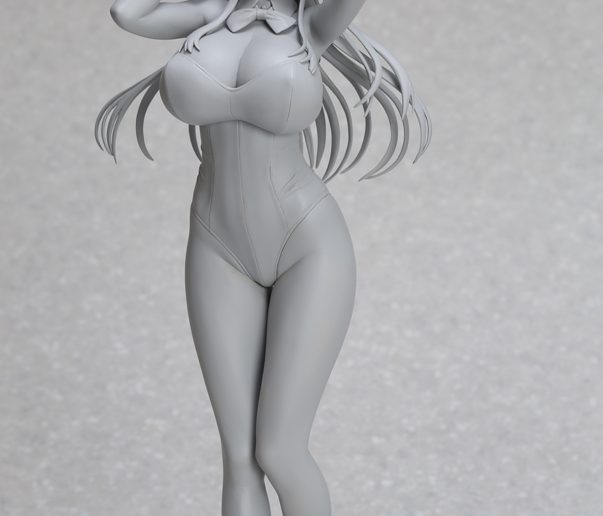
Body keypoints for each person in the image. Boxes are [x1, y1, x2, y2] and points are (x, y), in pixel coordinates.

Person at [95, 1, 431, 515]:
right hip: (216, 244)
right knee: (238, 459)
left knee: (279, 450)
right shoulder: (206, 15)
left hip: (307, 243)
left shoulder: (312, 25)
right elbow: (126, 12)